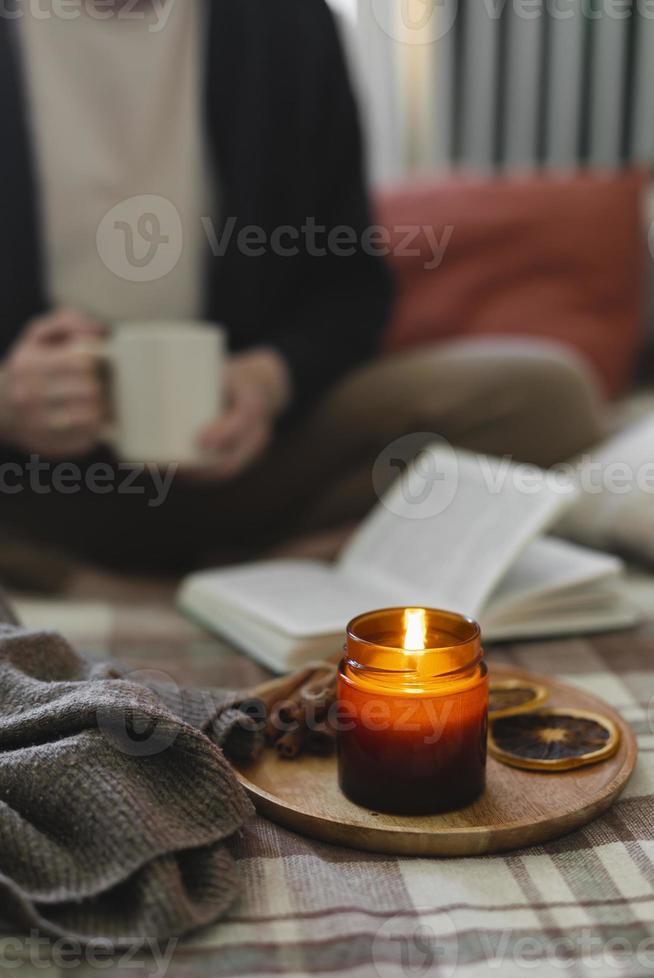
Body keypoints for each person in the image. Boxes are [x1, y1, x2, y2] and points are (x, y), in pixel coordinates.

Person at [0, 0, 604, 594]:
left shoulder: (285, 22)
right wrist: (10, 400)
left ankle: (253, 562)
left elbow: (351, 290)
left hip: (249, 465)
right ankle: (207, 569)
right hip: (31, 483)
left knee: (545, 394)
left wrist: (268, 381)